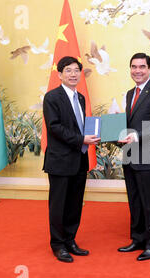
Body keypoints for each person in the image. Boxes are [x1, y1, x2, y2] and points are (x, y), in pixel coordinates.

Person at [43, 56, 100, 263]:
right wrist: (81, 139)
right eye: (68, 70)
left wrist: (92, 135)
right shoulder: (52, 97)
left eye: (77, 70)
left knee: (75, 204)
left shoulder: (81, 97)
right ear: (60, 74)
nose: (73, 74)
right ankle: (57, 245)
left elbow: (80, 125)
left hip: (79, 159)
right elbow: (54, 127)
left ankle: (70, 240)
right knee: (59, 205)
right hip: (60, 161)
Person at [117, 52, 150, 261]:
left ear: (149, 69)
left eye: (141, 67)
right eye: (133, 67)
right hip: (130, 157)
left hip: (149, 157)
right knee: (135, 202)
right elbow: (129, 124)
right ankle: (138, 239)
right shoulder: (130, 93)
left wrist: (136, 136)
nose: (137, 71)